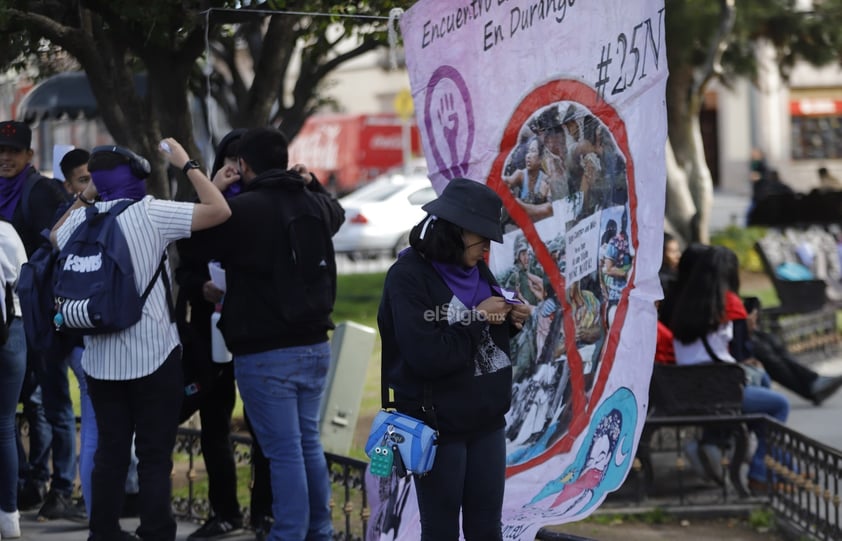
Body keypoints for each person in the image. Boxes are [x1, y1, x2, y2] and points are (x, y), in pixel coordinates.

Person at [51, 139, 231, 541]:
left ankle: (104, 532)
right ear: (135, 175)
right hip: (154, 356)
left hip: (99, 360)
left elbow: (54, 237)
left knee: (110, 453)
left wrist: (89, 192)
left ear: (99, 182)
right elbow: (219, 210)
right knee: (153, 455)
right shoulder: (151, 213)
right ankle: (156, 531)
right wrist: (187, 165)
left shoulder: (82, 221)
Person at [190, 127, 344, 541]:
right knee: (306, 443)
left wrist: (212, 191)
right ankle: (319, 530)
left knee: (284, 451)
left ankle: (290, 532)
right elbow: (337, 213)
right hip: (314, 343)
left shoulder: (244, 211)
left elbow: (194, 244)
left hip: (265, 349)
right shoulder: (312, 201)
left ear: (242, 165)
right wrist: (311, 183)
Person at [378, 177, 529, 540]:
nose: (486, 250)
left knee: (485, 529)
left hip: (487, 421)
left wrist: (510, 321)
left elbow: (482, 344)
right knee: (441, 530)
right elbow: (429, 355)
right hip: (438, 426)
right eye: (481, 240)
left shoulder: (474, 269)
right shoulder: (408, 277)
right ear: (456, 232)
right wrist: (479, 318)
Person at [0, 120, 78, 520]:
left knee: (50, 402)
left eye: (13, 151)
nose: (5, 158)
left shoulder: (40, 191)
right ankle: (26, 482)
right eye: (0, 151)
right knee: (18, 406)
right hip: (10, 321)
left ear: (30, 155)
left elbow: (61, 243)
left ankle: (58, 485)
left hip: (43, 315)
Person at [665, 244, 790, 493]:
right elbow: (729, 355)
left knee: (761, 396)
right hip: (718, 393)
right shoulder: (724, 309)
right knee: (778, 404)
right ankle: (760, 473)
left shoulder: (682, 308)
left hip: (686, 390)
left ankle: (781, 469)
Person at [174, 128, 247, 539]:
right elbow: (185, 261)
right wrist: (200, 284)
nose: (234, 168)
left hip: (256, 332)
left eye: (241, 161)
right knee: (215, 424)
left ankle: (267, 512)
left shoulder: (258, 205)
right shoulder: (203, 206)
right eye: (228, 159)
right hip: (208, 333)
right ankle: (225, 512)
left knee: (264, 428)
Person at [0, 219, 27, 539]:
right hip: (13, 330)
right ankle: (9, 516)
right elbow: (26, 277)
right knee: (5, 425)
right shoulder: (6, 231)